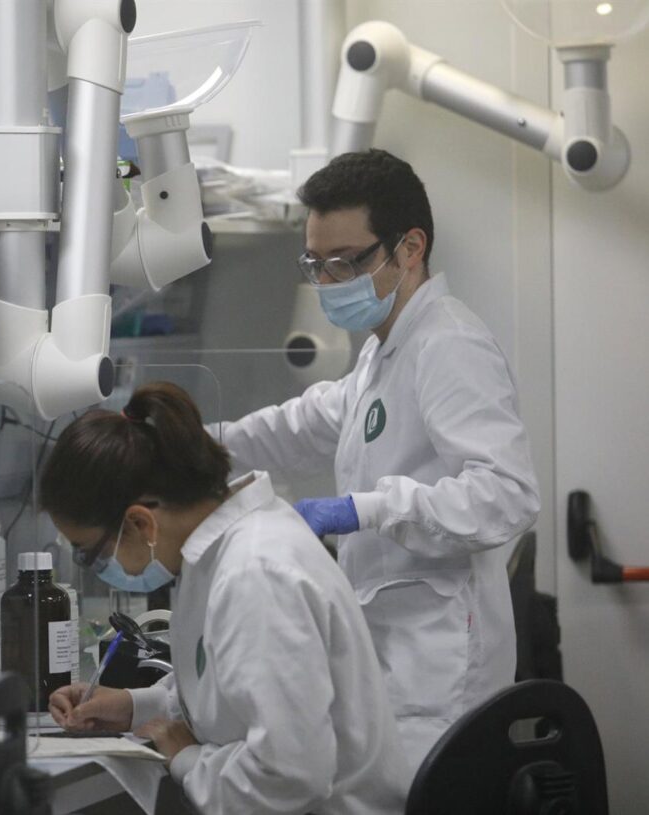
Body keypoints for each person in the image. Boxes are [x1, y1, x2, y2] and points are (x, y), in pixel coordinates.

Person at [215, 148, 541, 768]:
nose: (329, 283)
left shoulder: (448, 344)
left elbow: (507, 495)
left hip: (441, 675)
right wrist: (202, 443)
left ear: (410, 248)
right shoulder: (386, 350)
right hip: (399, 664)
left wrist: (364, 510)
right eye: (316, 265)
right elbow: (303, 423)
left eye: (346, 262)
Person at [41, 382, 410, 815]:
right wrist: (134, 706)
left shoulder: (256, 574)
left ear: (141, 523)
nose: (98, 566)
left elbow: (290, 774)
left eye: (91, 552)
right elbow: (229, 695)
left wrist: (188, 760)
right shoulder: (216, 554)